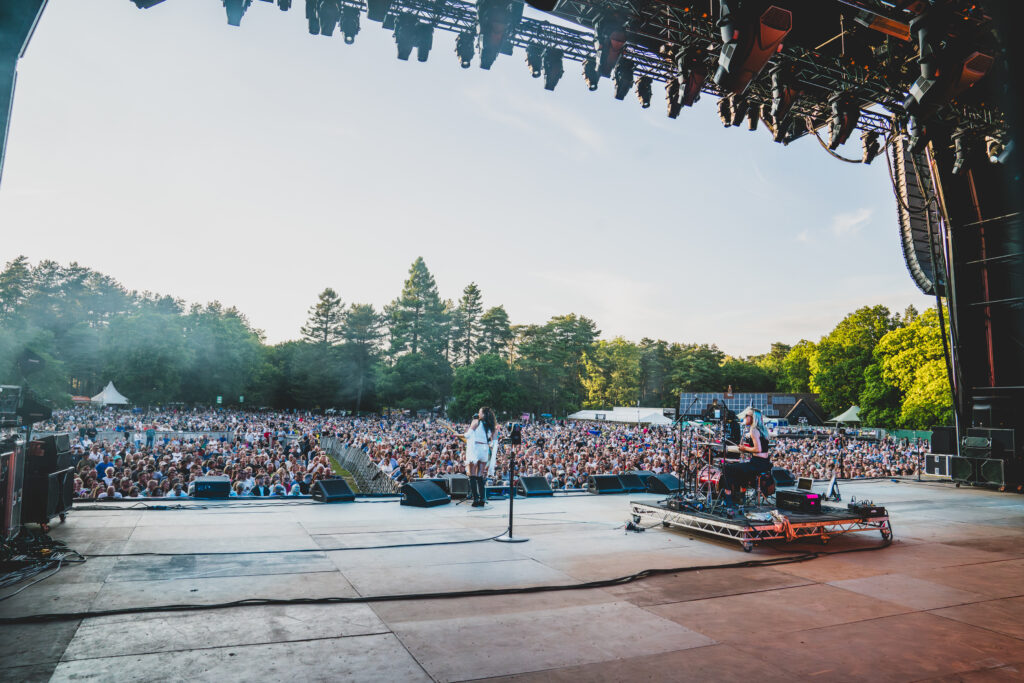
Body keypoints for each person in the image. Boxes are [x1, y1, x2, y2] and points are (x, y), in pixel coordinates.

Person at [720, 409, 771, 507]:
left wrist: (744, 448)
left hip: (757, 464)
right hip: (765, 463)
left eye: (747, 415)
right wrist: (747, 449)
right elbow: (762, 448)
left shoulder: (754, 430)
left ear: (752, 418)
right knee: (741, 471)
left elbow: (758, 449)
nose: (745, 417)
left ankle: (729, 499)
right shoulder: (763, 430)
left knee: (727, 468)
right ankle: (741, 498)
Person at [464, 407, 497, 508]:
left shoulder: (476, 422)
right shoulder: (492, 426)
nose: (478, 414)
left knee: (472, 475)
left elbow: (468, 435)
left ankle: (476, 499)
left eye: (479, 412)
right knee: (480, 475)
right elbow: (493, 441)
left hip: (476, 449)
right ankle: (482, 499)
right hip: (485, 449)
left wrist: (461, 434)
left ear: (482, 414)